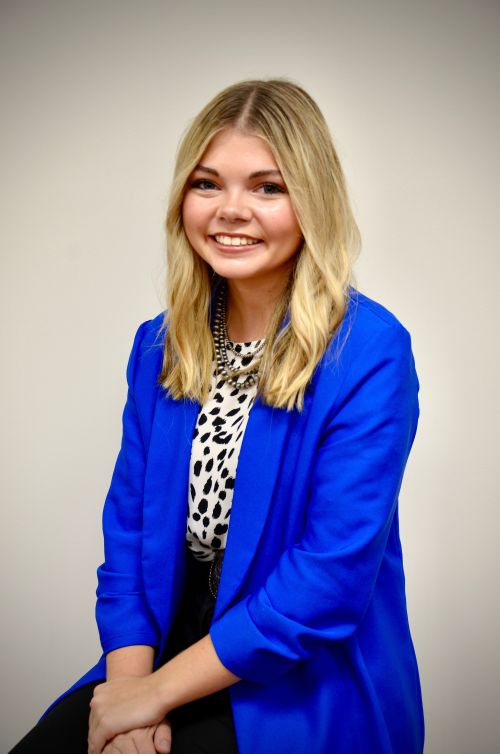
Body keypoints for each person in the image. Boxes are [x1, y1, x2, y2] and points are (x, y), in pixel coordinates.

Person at [9, 78, 424, 754]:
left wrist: (154, 697)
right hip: (170, 641)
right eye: (208, 184)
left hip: (297, 672)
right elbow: (130, 537)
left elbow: (326, 582)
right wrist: (131, 703)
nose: (232, 211)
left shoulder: (370, 351)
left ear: (312, 200)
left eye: (268, 187)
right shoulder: (161, 343)